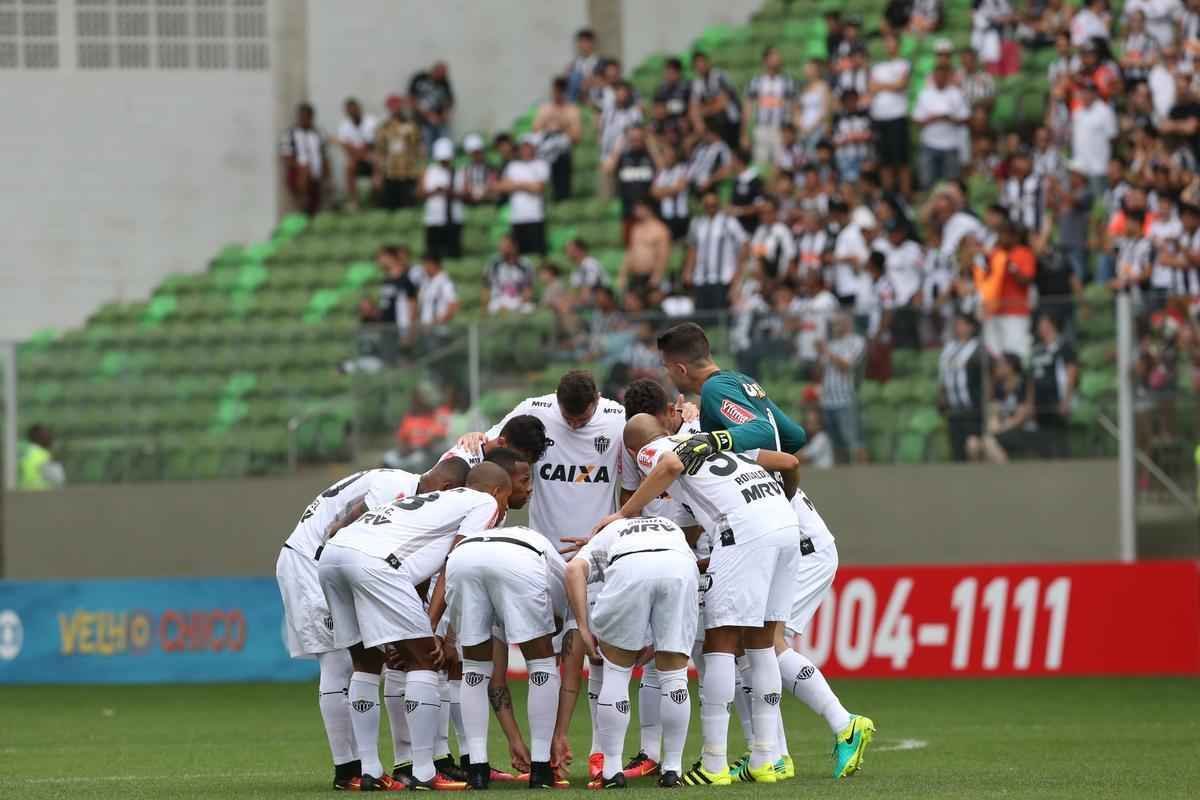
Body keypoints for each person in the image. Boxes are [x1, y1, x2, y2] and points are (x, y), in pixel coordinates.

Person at [654, 324, 872, 778]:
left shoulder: (714, 392)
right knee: (751, 652)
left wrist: (717, 440)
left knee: (764, 647)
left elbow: (760, 436)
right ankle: (769, 753)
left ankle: (842, 724)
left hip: (794, 539)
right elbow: (790, 435)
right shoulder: (739, 382)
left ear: (678, 367)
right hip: (789, 529)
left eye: (666, 371)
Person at [596, 415, 797, 787]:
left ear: (633, 450)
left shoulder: (656, 449)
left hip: (743, 531)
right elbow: (791, 463)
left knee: (720, 641)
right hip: (784, 523)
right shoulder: (709, 444)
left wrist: (625, 513)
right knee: (762, 642)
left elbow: (669, 464)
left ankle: (714, 764)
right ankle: (767, 759)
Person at [453, 371, 626, 781]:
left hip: (593, 555)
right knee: (535, 659)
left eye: (583, 419)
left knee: (585, 655)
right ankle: (539, 763)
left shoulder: (619, 416)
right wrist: (474, 439)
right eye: (569, 419)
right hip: (535, 556)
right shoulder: (535, 410)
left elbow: (661, 433)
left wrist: (687, 414)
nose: (576, 426)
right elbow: (495, 447)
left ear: (598, 402)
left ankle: (584, 754)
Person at [317, 462, 511, 791]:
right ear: (496, 491)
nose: (503, 508)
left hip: (333, 557)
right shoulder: (484, 502)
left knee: (366, 662)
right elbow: (453, 560)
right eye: (507, 498)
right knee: (424, 660)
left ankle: (370, 770)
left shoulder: (432, 502)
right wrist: (431, 626)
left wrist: (408, 628)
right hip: (374, 562)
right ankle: (424, 771)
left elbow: (418, 573)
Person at [567, 515, 698, 789]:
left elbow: (573, 570)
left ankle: (611, 771)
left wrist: (582, 625)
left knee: (616, 672)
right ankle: (672, 769)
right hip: (680, 566)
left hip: (629, 566)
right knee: (674, 676)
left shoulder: (604, 534)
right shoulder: (666, 523)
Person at [436, 524, 567, 790]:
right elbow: (565, 663)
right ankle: (541, 771)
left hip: (462, 558)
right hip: (518, 558)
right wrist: (558, 734)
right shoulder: (563, 585)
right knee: (541, 662)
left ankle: (477, 770)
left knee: (474, 667)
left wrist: (515, 739)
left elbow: (494, 681)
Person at [975, 217, 1036, 360]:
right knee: (994, 354)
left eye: (1004, 234)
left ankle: (1020, 381)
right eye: (999, 234)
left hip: (1016, 312)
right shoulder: (994, 254)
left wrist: (1009, 264)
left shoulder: (1023, 253)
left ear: (1014, 236)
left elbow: (1026, 280)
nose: (1000, 238)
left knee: (1017, 352)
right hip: (993, 311)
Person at [683, 191, 748, 312]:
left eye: (713, 205)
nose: (710, 208)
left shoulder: (729, 222)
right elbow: (693, 248)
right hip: (700, 278)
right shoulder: (697, 223)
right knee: (701, 317)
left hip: (723, 278)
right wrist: (688, 270)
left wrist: (738, 271)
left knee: (720, 316)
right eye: (707, 205)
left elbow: (744, 244)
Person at [817, 312, 868, 463]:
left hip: (845, 400)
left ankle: (865, 474)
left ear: (847, 324)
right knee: (836, 443)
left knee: (854, 440)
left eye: (837, 323)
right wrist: (819, 353)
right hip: (827, 400)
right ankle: (842, 477)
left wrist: (825, 351)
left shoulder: (857, 341)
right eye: (833, 324)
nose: (834, 327)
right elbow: (821, 371)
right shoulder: (831, 344)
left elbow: (846, 365)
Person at [869, 31, 913, 197]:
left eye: (892, 41)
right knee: (884, 160)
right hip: (880, 117)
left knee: (901, 160)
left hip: (897, 116)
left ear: (898, 44)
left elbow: (901, 85)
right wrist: (890, 85)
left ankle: (905, 195)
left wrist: (882, 86)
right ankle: (888, 196)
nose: (889, 45)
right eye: (886, 42)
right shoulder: (878, 67)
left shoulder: (904, 64)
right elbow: (872, 87)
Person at [1028, 313, 1077, 458]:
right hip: (1040, 404)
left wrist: (1066, 400)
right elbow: (1032, 379)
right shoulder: (1036, 350)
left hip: (1057, 401)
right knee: (1043, 443)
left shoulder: (1064, 347)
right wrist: (1030, 403)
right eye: (1040, 325)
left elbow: (1071, 373)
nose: (1042, 328)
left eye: (1045, 324)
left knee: (1060, 441)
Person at [912, 63, 969, 188]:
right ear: (933, 77)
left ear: (948, 77)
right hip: (929, 145)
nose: (940, 78)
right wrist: (932, 119)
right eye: (937, 76)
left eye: (943, 76)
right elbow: (916, 120)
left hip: (950, 146)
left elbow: (965, 119)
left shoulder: (956, 94)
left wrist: (948, 118)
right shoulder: (925, 94)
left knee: (951, 185)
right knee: (927, 184)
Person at [937, 313, 985, 462]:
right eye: (957, 324)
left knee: (972, 446)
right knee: (957, 450)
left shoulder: (977, 349)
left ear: (971, 327)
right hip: (954, 409)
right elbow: (943, 376)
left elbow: (986, 376)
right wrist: (941, 395)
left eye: (962, 324)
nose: (958, 328)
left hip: (972, 407)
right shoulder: (948, 349)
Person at [497, 135, 550, 257]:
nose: (526, 150)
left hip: (535, 216)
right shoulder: (513, 166)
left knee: (537, 253)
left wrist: (516, 185)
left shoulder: (541, 164)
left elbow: (539, 188)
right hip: (517, 217)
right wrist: (527, 185)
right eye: (523, 147)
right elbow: (502, 186)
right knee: (520, 254)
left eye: (528, 147)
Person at [744, 46, 798, 166]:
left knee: (781, 164)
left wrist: (793, 131)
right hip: (761, 128)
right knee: (760, 163)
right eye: (774, 56)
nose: (777, 59)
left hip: (780, 129)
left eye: (778, 56)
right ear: (765, 60)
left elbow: (794, 107)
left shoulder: (788, 81)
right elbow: (748, 108)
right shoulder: (755, 82)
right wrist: (745, 133)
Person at [981, 351, 1036, 462]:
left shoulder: (1023, 385)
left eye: (1000, 364)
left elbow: (1021, 417)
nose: (996, 367)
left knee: (988, 441)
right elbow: (992, 411)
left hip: (1023, 430)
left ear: (1010, 367)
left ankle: (1005, 472)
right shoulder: (998, 387)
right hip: (1002, 431)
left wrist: (999, 429)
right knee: (973, 444)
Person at [534, 77, 583, 201]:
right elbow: (535, 131)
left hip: (562, 153)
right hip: (545, 152)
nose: (557, 94)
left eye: (561, 91)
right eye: (556, 90)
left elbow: (577, 136)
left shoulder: (572, 110)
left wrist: (561, 126)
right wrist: (549, 126)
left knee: (563, 190)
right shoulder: (545, 109)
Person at [605, 124, 656, 241]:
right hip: (628, 211)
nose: (635, 141)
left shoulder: (650, 156)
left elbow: (662, 168)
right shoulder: (622, 157)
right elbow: (608, 170)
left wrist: (651, 144)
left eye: (638, 138)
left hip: (650, 211)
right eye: (632, 138)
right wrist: (618, 147)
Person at [374, 95, 423, 210]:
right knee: (389, 206)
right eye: (392, 107)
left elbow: (418, 149)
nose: (395, 109)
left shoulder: (411, 126)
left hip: (408, 172)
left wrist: (420, 172)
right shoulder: (384, 128)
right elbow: (380, 152)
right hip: (390, 172)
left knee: (408, 206)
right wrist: (377, 173)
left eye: (397, 106)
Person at [1071, 80, 1118, 198]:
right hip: (1079, 167)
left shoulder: (1105, 111)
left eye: (1087, 92)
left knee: (1099, 204)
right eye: (1082, 92)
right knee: (1079, 203)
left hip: (1098, 167)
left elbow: (1113, 138)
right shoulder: (1077, 112)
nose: (1084, 95)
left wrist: (1110, 162)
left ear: (1095, 93)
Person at [280, 102, 328, 216]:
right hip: (298, 173)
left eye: (307, 117)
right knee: (305, 168)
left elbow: (324, 155)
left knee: (315, 206)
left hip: (316, 174)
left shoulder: (318, 133)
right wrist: (302, 167)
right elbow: (286, 156)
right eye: (302, 117)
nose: (304, 120)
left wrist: (327, 176)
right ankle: (302, 206)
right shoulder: (290, 134)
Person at [420, 138, 464, 260]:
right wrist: (435, 191)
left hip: (453, 218)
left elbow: (465, 193)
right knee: (433, 254)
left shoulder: (458, 172)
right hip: (433, 218)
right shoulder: (430, 171)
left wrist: (449, 192)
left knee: (453, 253)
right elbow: (420, 193)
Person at [619, 199, 670, 300]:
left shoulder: (659, 229)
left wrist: (656, 276)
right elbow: (630, 253)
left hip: (651, 276)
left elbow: (663, 256)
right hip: (636, 275)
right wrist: (623, 274)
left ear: (648, 209)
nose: (635, 211)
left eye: (638, 208)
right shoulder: (635, 229)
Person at [689, 52, 742, 149]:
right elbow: (694, 108)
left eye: (702, 63)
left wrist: (703, 110)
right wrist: (699, 124)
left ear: (708, 63)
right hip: (713, 120)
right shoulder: (697, 83)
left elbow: (723, 103)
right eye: (697, 65)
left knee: (719, 116)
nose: (701, 67)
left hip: (731, 120)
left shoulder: (720, 76)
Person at [336, 97, 378, 210]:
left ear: (359, 109)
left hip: (371, 155)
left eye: (354, 109)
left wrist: (359, 151)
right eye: (349, 110)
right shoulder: (344, 126)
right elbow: (346, 148)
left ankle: (376, 199)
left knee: (377, 163)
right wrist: (357, 152)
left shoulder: (371, 122)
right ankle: (354, 200)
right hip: (355, 157)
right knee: (349, 166)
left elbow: (372, 144)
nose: (352, 112)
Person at [482, 234, 535, 315]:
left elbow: (528, 290)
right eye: (500, 245)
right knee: (493, 307)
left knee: (528, 308)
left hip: (518, 300)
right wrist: (484, 308)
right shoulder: (493, 264)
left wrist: (515, 305)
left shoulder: (526, 265)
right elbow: (486, 287)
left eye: (505, 245)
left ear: (514, 247)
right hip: (497, 301)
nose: (501, 248)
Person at [409, 61, 455, 151]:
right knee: (426, 141)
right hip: (421, 120)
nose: (441, 76)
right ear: (434, 70)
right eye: (440, 73)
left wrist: (445, 114)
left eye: (444, 74)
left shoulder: (444, 82)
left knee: (445, 139)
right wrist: (428, 115)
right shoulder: (420, 78)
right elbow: (411, 99)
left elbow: (449, 101)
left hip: (439, 120)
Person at [748, 196, 796, 282]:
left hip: (779, 279)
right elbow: (758, 256)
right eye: (762, 213)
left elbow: (790, 258)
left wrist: (781, 281)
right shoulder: (760, 231)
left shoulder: (783, 230)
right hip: (763, 279)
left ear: (775, 212)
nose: (765, 216)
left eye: (769, 212)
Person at [651, 145, 691, 241]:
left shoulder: (683, 169)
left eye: (671, 156)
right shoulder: (661, 173)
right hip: (666, 215)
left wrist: (662, 191)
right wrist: (671, 189)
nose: (669, 158)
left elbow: (679, 189)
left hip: (681, 215)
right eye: (666, 156)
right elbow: (653, 192)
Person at [416, 254, 459, 342]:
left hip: (438, 331)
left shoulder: (445, 282)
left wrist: (437, 322)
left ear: (433, 264)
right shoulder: (426, 282)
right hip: (425, 330)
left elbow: (454, 305)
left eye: (425, 264)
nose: (423, 268)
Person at [727, 148, 765, 234]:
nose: (730, 164)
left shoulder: (755, 180)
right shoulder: (736, 180)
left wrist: (739, 211)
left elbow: (760, 206)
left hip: (750, 229)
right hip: (735, 230)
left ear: (739, 161)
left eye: (732, 160)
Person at [17, 424, 64, 490]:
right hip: (40, 493)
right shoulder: (43, 455)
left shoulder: (24, 451)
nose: (51, 437)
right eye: (47, 435)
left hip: (22, 491)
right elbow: (57, 480)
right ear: (38, 437)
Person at [565, 238, 609, 306]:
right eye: (567, 250)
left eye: (570, 250)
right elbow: (574, 290)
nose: (567, 253)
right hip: (587, 300)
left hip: (599, 298)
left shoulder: (591, 263)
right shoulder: (576, 268)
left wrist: (575, 301)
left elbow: (589, 288)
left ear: (580, 250)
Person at [564, 28, 599, 103]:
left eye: (586, 42)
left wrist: (591, 80)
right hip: (577, 98)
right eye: (581, 42)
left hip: (593, 98)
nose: (583, 45)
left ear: (592, 43)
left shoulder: (599, 62)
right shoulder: (573, 64)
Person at [654, 57, 691, 124]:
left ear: (679, 73)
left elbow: (687, 107)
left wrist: (666, 109)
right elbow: (657, 109)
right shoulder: (661, 88)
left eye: (671, 72)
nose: (668, 75)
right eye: (666, 72)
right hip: (664, 121)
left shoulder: (687, 86)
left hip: (682, 121)